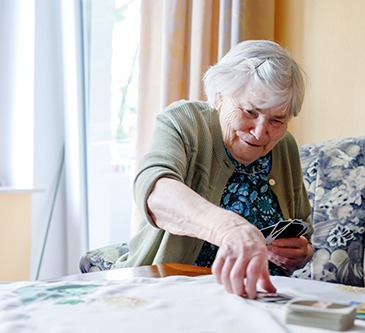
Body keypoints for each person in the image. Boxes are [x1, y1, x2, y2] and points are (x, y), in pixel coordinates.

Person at [114, 40, 314, 299]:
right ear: (220, 95)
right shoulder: (185, 122)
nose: (261, 132)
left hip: (258, 301)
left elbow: (303, 228)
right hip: (171, 294)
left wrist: (300, 252)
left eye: (277, 120)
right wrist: (229, 229)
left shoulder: (284, 145)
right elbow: (155, 191)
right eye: (250, 111)